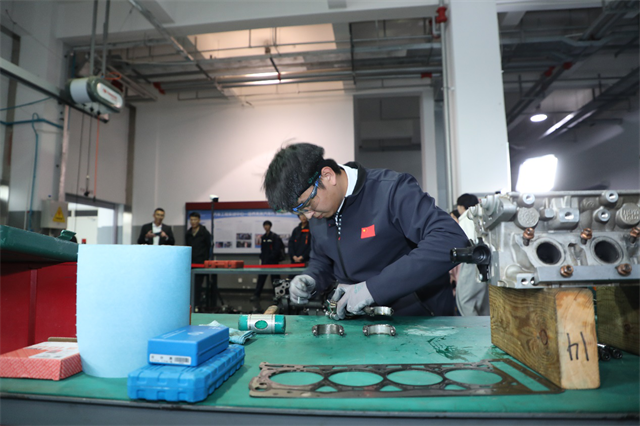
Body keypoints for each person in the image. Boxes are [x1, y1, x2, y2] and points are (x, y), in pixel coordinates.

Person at [263, 143, 469, 319]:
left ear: (327, 175)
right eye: (299, 211)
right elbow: (322, 261)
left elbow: (450, 239)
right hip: (360, 323)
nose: (308, 216)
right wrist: (311, 278)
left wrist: (373, 289)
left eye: (307, 204)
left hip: (417, 321)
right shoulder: (320, 213)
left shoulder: (391, 191)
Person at [454, 194, 490, 316]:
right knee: (482, 301)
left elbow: (466, 242)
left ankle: (472, 326)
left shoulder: (466, 218)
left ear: (461, 206)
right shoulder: (481, 216)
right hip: (485, 258)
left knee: (465, 300)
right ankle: (485, 325)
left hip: (472, 259)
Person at [185, 212, 212, 311]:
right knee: (189, 285)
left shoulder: (204, 233)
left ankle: (196, 304)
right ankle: (189, 304)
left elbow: (209, 247)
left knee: (198, 285)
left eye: (195, 220)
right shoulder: (188, 233)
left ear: (199, 220)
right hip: (191, 263)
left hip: (200, 263)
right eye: (191, 220)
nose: (193, 222)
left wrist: (206, 260)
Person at [251, 220, 284, 301]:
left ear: (270, 226)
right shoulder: (263, 237)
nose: (266, 227)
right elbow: (263, 249)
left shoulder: (275, 237)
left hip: (273, 262)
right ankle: (256, 295)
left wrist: (271, 257)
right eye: (265, 225)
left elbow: (277, 249)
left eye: (267, 225)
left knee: (275, 279)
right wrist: (262, 257)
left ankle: (277, 296)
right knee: (261, 279)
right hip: (264, 262)